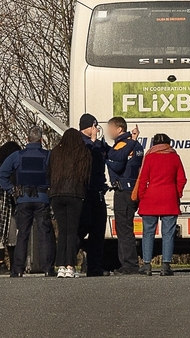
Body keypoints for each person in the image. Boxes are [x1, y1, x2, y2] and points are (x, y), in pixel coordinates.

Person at [0, 126, 54, 277]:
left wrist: (11, 189)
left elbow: (1, 174)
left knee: (22, 234)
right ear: (41, 140)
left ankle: (17, 269)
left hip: (23, 199)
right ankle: (48, 268)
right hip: (42, 198)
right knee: (45, 234)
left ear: (26, 139)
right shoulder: (48, 156)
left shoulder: (17, 155)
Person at [137, 133, 186, 276]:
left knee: (148, 233)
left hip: (150, 199)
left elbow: (143, 179)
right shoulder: (175, 157)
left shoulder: (150, 157)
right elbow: (182, 179)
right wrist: (177, 193)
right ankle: (165, 265)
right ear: (168, 143)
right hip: (169, 198)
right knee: (168, 233)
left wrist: (142, 196)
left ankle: (147, 265)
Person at [49, 128, 92, 278]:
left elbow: (49, 173)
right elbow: (87, 176)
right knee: (72, 231)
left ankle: (60, 265)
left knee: (62, 231)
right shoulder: (83, 153)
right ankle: (70, 265)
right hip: (75, 194)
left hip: (57, 194)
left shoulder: (55, 153)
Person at [105, 117, 143, 275]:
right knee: (127, 228)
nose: (108, 132)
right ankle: (129, 264)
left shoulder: (123, 145)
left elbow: (117, 163)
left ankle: (129, 265)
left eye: (110, 128)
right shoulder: (137, 145)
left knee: (124, 229)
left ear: (119, 129)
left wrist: (107, 157)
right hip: (133, 190)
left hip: (123, 191)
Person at [77, 113, 110, 277]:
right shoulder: (83, 144)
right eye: (94, 126)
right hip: (87, 192)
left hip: (97, 191)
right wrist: (95, 142)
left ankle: (94, 266)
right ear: (88, 127)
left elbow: (111, 154)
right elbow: (92, 160)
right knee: (82, 229)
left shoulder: (98, 144)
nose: (97, 129)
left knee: (98, 230)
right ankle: (69, 261)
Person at [0, 141, 22, 275]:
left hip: (0, 200)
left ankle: (3, 263)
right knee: (8, 235)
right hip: (4, 202)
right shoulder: (12, 166)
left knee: (1, 234)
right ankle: (10, 263)